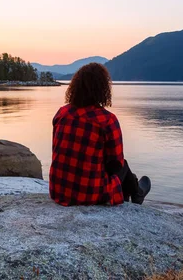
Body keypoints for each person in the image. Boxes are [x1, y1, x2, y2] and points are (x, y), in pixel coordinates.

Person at [49, 63, 151, 206]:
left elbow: (57, 149)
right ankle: (136, 192)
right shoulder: (107, 120)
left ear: (75, 87)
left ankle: (135, 191)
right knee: (122, 164)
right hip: (89, 194)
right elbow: (116, 164)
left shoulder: (62, 113)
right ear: (102, 89)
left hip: (58, 190)